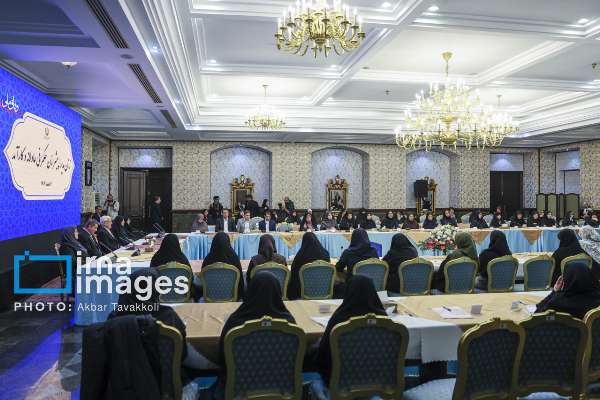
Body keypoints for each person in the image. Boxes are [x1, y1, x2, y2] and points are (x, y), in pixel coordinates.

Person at [108, 268, 217, 377]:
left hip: (123, 382)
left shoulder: (113, 319)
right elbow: (185, 355)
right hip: (163, 382)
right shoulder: (167, 317)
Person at [211, 272, 294, 397]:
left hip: (238, 392)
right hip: (282, 391)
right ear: (278, 292)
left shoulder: (235, 323)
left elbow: (223, 359)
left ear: (250, 292)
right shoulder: (289, 325)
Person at [316, 276, 386, 385]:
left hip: (339, 383)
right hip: (379, 381)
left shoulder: (339, 320)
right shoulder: (385, 322)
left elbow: (322, 356)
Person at [535, 264, 600, 319]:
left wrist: (554, 292)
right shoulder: (597, 301)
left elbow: (537, 316)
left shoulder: (557, 303)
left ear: (567, 278)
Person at [288, 232, 330, 300]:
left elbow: (293, 271)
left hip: (303, 291)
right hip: (323, 289)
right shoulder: (325, 254)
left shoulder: (300, 256)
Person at [202, 232, 245, 299]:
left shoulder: (208, 259)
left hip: (210, 298)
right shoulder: (234, 258)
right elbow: (241, 280)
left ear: (214, 243)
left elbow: (203, 281)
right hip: (233, 298)